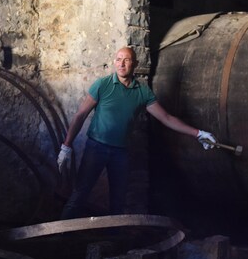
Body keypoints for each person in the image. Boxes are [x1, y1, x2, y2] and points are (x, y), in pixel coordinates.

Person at [57, 46, 216, 219]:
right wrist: (66, 146)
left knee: (118, 202)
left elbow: (166, 118)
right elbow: (80, 116)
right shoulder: (103, 85)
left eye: (126, 60)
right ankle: (60, 238)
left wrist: (198, 133)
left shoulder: (142, 92)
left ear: (136, 64)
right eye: (118, 59)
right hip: (96, 148)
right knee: (80, 194)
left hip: (120, 153)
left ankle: (113, 242)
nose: (121, 64)